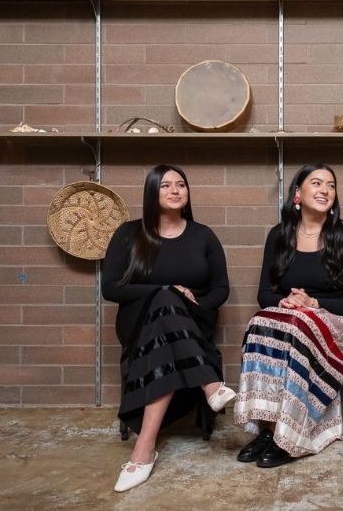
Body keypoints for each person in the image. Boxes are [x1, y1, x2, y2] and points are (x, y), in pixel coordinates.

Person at [101, 164, 236, 492]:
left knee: (167, 323)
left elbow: (220, 289)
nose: (175, 191)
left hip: (192, 322)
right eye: (165, 186)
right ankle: (211, 384)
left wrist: (189, 304)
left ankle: (143, 451)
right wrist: (169, 291)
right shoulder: (128, 233)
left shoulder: (203, 235)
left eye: (180, 185)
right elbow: (112, 289)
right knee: (164, 297)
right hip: (138, 323)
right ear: (151, 192)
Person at [234, 163, 343, 468]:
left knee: (298, 326)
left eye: (331, 185)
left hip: (339, 322)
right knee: (260, 323)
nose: (325, 191)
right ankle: (268, 429)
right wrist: (286, 301)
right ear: (298, 192)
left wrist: (313, 302)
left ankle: (291, 433)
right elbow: (264, 295)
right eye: (317, 183)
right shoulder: (279, 236)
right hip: (293, 318)